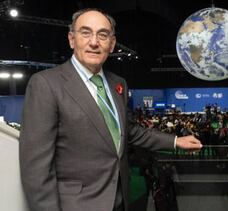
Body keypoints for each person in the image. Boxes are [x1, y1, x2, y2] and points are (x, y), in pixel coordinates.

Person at [19, 8, 202, 211]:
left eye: (103, 35)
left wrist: (176, 141)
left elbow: (129, 132)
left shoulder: (118, 84)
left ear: (112, 44)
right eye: (85, 32)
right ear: (72, 39)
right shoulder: (46, 84)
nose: (94, 42)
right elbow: (36, 169)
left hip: (120, 201)